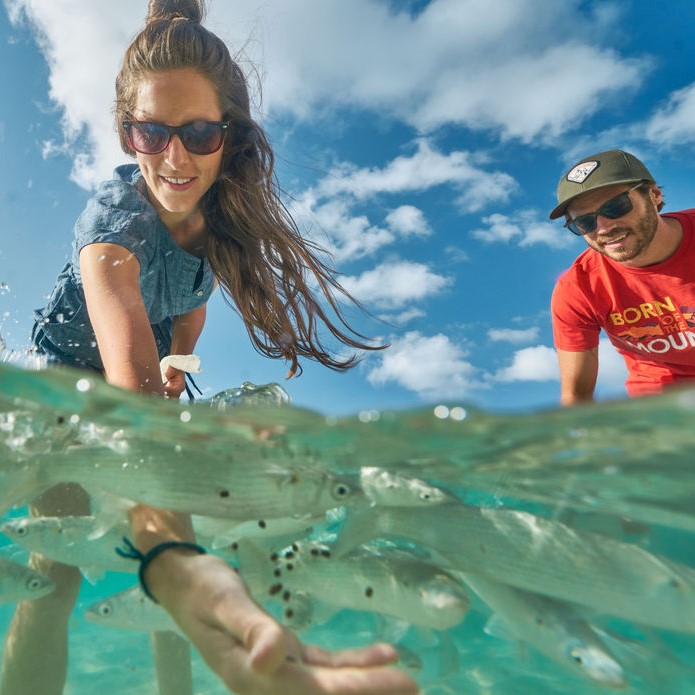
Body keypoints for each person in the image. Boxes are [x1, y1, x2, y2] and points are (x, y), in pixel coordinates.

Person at [0, 1, 420, 694]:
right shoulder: (110, 230)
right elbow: (127, 400)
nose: (174, 158)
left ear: (229, 135)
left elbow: (188, 315)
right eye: (150, 132)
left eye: (198, 132)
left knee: (171, 563)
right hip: (66, 388)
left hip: (142, 364)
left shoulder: (222, 219)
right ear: (125, 133)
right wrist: (168, 553)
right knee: (53, 580)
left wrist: (178, 362)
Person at [549, 148, 695, 405]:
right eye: (585, 223)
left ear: (654, 195)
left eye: (616, 207)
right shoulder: (578, 289)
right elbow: (576, 398)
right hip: (663, 410)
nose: (604, 228)